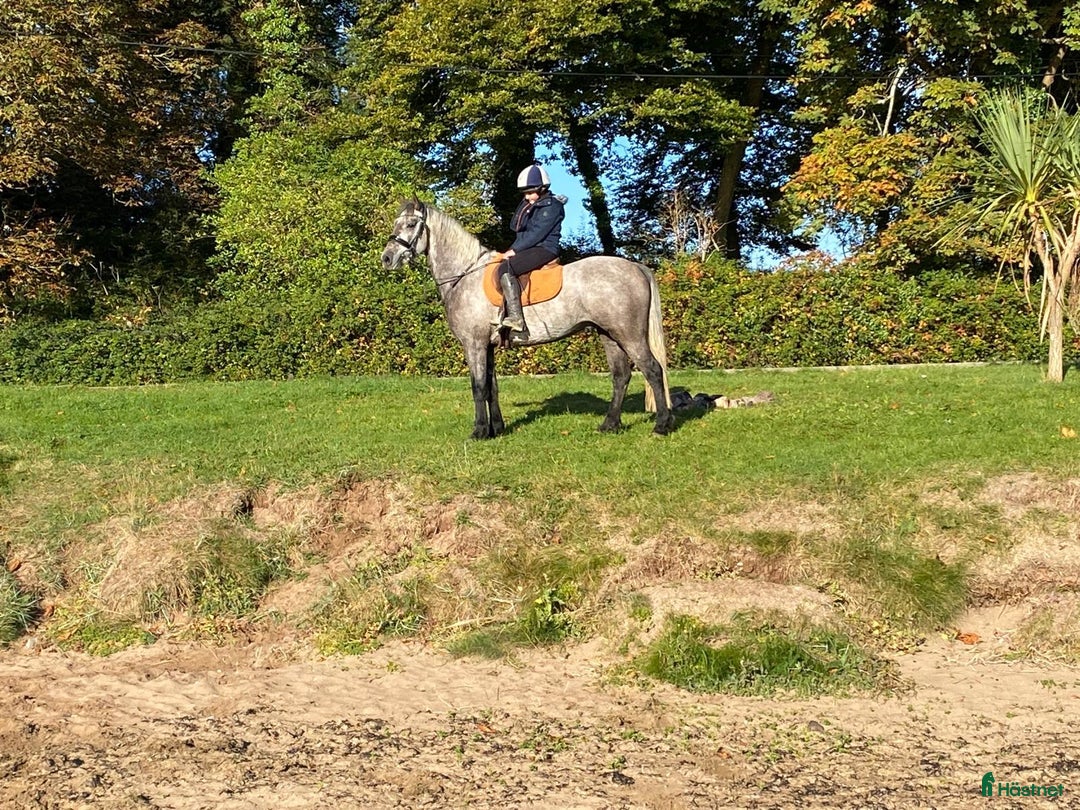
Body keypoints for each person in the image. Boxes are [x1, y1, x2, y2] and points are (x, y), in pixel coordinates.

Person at [495, 163, 566, 334]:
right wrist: (527, 204)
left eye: (530, 192)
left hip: (544, 248)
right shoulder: (530, 204)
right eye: (525, 193)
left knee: (506, 267)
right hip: (530, 247)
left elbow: (536, 234)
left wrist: (514, 250)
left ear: (542, 189)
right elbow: (516, 226)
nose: (527, 197)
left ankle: (516, 318)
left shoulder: (552, 206)